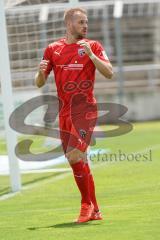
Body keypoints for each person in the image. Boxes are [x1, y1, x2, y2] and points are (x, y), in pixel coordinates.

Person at [35, 7, 113, 224]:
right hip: (64, 112)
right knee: (78, 160)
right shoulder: (53, 49)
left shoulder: (94, 46)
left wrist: (90, 55)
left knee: (74, 156)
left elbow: (109, 72)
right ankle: (96, 209)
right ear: (69, 24)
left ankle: (86, 205)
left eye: (86, 22)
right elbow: (39, 83)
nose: (85, 26)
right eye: (81, 22)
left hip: (85, 109)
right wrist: (40, 72)